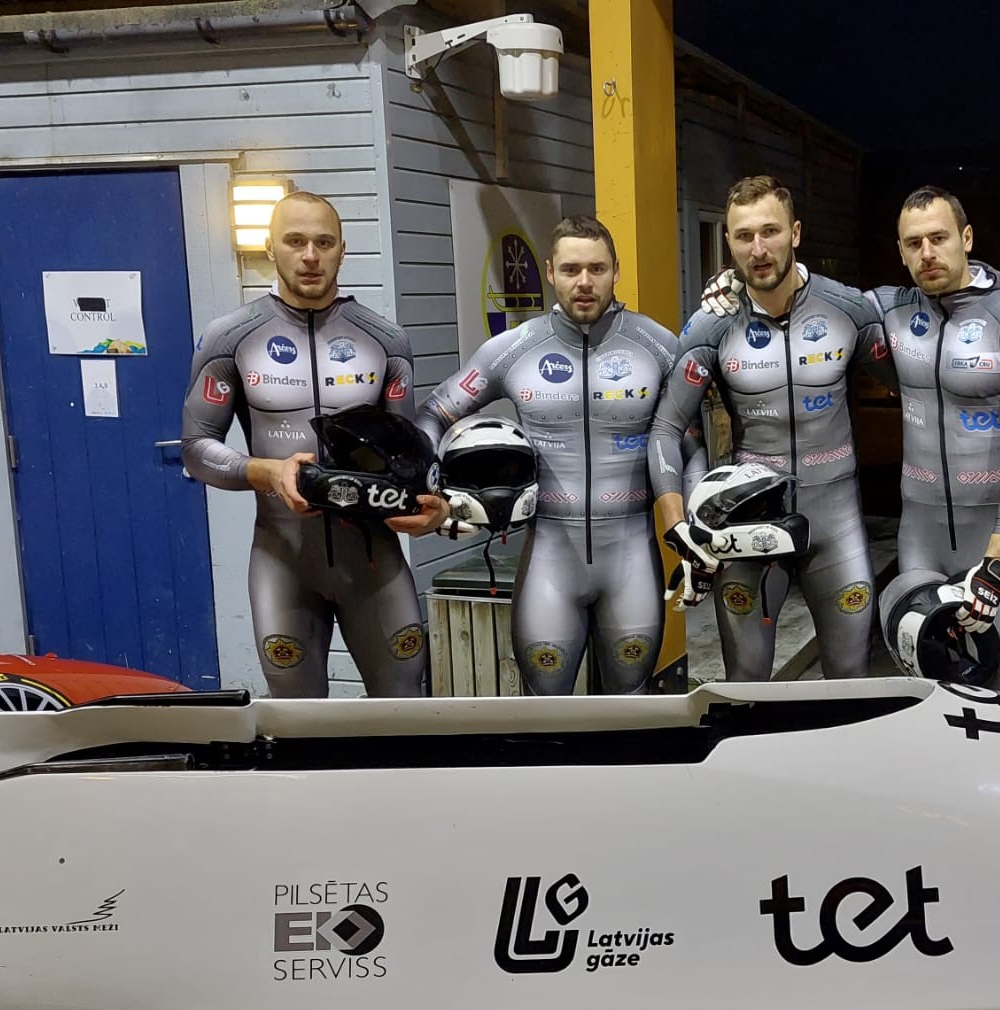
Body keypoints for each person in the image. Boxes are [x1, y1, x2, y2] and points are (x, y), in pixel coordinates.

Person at [181, 191, 448, 698]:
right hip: (283, 562)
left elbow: (408, 459)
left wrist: (433, 508)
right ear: (269, 248)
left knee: (404, 711)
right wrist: (268, 472)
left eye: (324, 242)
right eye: (295, 241)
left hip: (374, 561)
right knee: (298, 719)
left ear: (342, 251)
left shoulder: (386, 339)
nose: (310, 255)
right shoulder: (230, 337)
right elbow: (196, 448)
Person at [415, 216, 678, 695]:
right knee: (544, 711)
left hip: (634, 558)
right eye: (571, 269)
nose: (584, 282)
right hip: (549, 562)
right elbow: (432, 415)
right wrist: (439, 493)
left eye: (596, 268)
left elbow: (688, 439)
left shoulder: (658, 346)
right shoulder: (513, 349)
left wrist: (690, 522)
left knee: (633, 712)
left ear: (616, 270)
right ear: (551, 272)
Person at [649, 175, 885, 681]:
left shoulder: (847, 308)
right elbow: (667, 429)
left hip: (836, 523)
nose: (759, 249)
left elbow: (924, 370)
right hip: (748, 521)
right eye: (743, 236)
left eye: (771, 232)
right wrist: (680, 529)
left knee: (851, 681)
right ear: (729, 244)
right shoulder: (712, 324)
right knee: (746, 682)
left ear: (796, 233)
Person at [867, 186, 1000, 696]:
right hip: (921, 543)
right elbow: (806, 301)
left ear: (967, 237)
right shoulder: (886, 312)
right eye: (913, 243)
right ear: (901, 251)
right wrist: (734, 286)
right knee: (934, 705)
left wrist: (995, 566)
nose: (927, 253)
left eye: (938, 237)